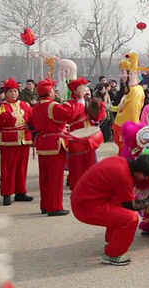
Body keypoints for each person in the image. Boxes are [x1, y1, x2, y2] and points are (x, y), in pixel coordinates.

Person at [71, 155, 149, 266]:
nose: (146, 179)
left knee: (119, 203)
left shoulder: (120, 161)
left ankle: (112, 243)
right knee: (130, 218)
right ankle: (113, 254)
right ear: (140, 172)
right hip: (86, 208)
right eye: (147, 176)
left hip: (83, 201)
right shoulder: (123, 175)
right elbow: (131, 205)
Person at [32, 79, 85, 216]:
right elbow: (69, 114)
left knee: (44, 177)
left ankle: (45, 205)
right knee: (55, 177)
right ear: (49, 92)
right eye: (53, 90)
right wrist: (78, 101)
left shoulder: (36, 106)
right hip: (55, 143)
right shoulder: (53, 106)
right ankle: (54, 206)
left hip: (42, 143)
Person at [0, 78, 34, 206]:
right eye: (10, 92)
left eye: (15, 91)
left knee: (22, 168)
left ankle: (20, 192)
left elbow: (32, 121)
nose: (13, 94)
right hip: (9, 141)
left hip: (24, 140)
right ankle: (7, 193)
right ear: (5, 93)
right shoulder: (1, 106)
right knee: (8, 168)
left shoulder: (25, 105)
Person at [65, 78, 106, 191]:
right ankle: (77, 186)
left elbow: (98, 118)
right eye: (82, 88)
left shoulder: (90, 102)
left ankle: (90, 186)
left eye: (86, 88)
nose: (85, 91)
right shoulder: (70, 104)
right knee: (77, 166)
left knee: (91, 163)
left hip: (89, 138)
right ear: (75, 91)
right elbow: (70, 116)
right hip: (76, 139)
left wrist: (97, 109)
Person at [113, 53, 146, 155]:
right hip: (122, 127)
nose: (120, 76)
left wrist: (128, 131)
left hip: (128, 130)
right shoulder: (129, 90)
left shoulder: (136, 91)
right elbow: (120, 107)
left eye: (123, 72)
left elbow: (132, 113)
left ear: (131, 74)